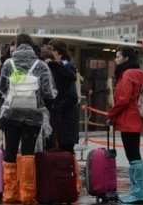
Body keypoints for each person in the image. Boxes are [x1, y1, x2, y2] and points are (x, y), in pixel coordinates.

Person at [0, 33, 56, 204]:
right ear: (32, 46)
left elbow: (1, 88)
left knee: (10, 152)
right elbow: (48, 93)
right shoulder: (41, 65)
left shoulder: (9, 63)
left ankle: (10, 194)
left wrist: (13, 93)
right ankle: (27, 195)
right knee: (28, 153)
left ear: (16, 45)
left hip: (11, 114)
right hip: (33, 116)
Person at [107, 46, 143, 204]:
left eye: (118, 57)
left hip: (128, 119)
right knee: (135, 156)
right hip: (136, 118)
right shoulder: (139, 73)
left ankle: (138, 193)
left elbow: (123, 99)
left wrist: (111, 113)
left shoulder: (127, 74)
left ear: (125, 58)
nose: (115, 59)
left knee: (133, 157)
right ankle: (140, 192)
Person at [44, 39, 81, 195]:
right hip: (62, 119)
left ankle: (72, 186)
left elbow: (72, 96)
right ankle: (61, 185)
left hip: (66, 120)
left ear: (57, 52)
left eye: (51, 50)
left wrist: (56, 108)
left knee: (66, 152)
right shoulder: (58, 68)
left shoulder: (67, 69)